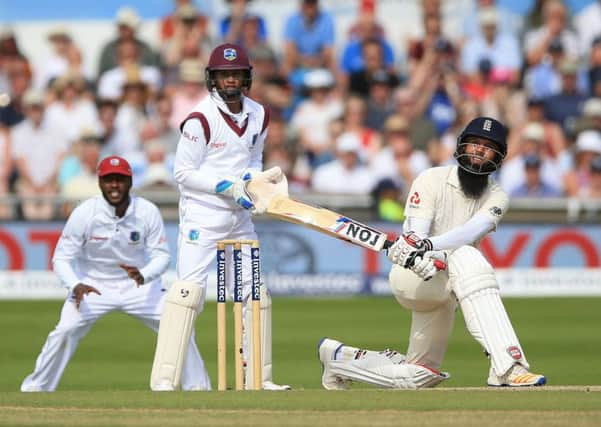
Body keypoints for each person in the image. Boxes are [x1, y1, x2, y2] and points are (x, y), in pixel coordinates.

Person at [318, 117, 547, 389]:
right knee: (468, 256)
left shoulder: (497, 196)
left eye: (488, 147)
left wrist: (430, 248)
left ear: (499, 156)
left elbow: (472, 230)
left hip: (448, 283)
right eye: (474, 143)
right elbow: (417, 233)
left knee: (420, 374)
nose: (479, 150)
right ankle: (508, 367)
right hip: (413, 278)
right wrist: (417, 251)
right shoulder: (431, 179)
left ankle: (340, 360)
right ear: (461, 145)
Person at [156, 43, 289, 391]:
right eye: (223, 74)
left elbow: (253, 158)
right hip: (203, 217)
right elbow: (182, 173)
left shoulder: (260, 114)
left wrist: (253, 185)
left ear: (246, 78)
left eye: (235, 74)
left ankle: (257, 378)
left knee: (255, 293)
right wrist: (228, 186)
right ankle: (165, 380)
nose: (230, 79)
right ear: (212, 79)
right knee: (188, 295)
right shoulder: (200, 120)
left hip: (240, 217)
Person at [21, 155, 210, 392]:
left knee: (178, 324)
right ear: (99, 182)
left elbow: (162, 255)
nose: (114, 185)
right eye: (108, 180)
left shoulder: (147, 211)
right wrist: (74, 284)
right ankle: (36, 389)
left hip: (140, 286)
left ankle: (198, 388)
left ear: (130, 182)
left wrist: (144, 274)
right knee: (65, 330)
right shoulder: (85, 213)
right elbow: (61, 258)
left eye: (120, 180)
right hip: (93, 285)